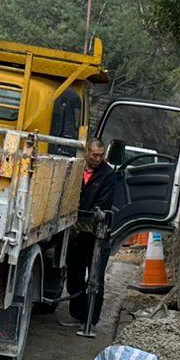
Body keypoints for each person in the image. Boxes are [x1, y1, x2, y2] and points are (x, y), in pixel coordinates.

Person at [67, 139, 122, 336]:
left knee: (95, 278)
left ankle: (91, 319)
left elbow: (103, 202)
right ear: (86, 153)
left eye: (101, 155)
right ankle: (78, 314)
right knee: (74, 273)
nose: (98, 159)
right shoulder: (75, 169)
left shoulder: (108, 174)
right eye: (94, 155)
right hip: (76, 233)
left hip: (97, 233)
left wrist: (84, 219)